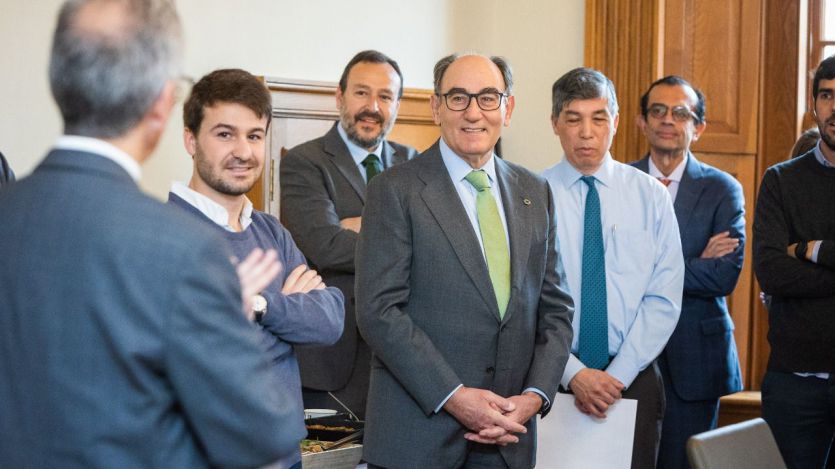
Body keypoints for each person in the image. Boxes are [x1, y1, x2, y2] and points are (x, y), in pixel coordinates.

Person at [0, 1, 301, 467]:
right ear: (162, 102)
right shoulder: (182, 250)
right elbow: (266, 431)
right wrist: (230, 318)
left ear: (58, 82)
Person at [355, 52, 575, 469]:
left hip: (509, 438)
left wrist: (533, 398)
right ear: (436, 107)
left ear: (507, 108)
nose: (474, 112)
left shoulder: (534, 191)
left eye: (488, 97)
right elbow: (379, 311)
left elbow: (556, 310)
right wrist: (454, 396)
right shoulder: (395, 190)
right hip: (419, 440)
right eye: (458, 97)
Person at [167, 68, 345, 469]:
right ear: (190, 139)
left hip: (285, 455)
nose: (243, 152)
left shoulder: (270, 231)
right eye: (225, 134)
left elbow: (329, 321)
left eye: (255, 135)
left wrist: (262, 307)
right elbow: (201, 363)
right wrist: (285, 326)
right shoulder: (164, 235)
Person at [541, 67, 684, 469]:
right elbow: (525, 298)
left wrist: (616, 375)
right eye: (573, 119)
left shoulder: (651, 197)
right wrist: (574, 374)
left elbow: (663, 297)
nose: (587, 132)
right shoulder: (530, 196)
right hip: (552, 376)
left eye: (599, 118)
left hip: (633, 377)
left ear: (617, 122)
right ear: (555, 124)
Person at [280, 50, 417, 418]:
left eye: (385, 96)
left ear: (397, 105)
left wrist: (358, 224)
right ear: (339, 97)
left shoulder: (414, 162)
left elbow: (438, 244)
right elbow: (326, 246)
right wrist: (406, 240)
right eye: (361, 93)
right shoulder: (304, 162)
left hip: (405, 360)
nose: (372, 106)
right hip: (335, 360)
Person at [631, 76, 745, 469]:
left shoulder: (723, 189)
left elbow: (723, 277)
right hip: (628, 357)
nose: (667, 119)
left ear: (698, 127)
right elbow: (613, 273)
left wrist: (644, 271)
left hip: (696, 358)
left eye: (681, 113)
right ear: (641, 122)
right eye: (657, 111)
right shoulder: (621, 184)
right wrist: (695, 262)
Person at [753, 55, 835, 469]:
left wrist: (809, 249)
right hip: (794, 383)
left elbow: (789, 268)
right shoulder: (780, 180)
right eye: (827, 95)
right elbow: (770, 270)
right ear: (814, 104)